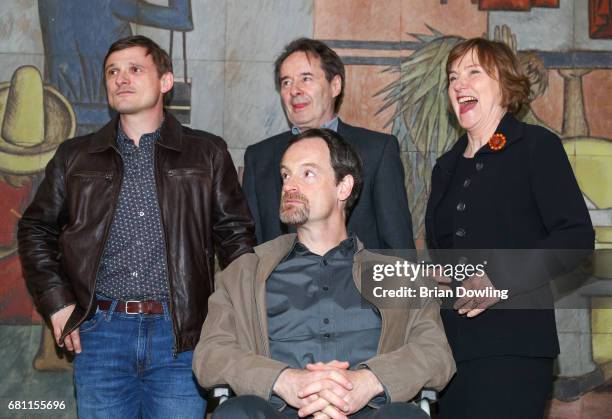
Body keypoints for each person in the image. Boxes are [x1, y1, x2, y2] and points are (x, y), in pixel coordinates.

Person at [18, 35, 255, 418]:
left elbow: (236, 238)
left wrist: (237, 319)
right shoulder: (75, 156)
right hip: (100, 334)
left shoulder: (207, 152)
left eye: (134, 69)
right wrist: (57, 304)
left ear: (165, 82)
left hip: (181, 336)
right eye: (113, 71)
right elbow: (35, 229)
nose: (121, 79)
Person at [194, 128, 455, 419]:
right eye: (285, 175)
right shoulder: (244, 274)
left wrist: (369, 382)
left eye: (307, 174)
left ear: (343, 187)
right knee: (237, 413)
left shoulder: (397, 276)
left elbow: (436, 353)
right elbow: (210, 356)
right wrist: (284, 380)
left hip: (369, 412)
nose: (290, 186)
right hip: (278, 411)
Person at [425, 38, 594, 419]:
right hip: (450, 352)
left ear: (505, 84)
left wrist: (498, 278)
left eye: (473, 72)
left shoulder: (536, 146)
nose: (458, 84)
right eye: (452, 77)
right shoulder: (446, 166)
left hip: (514, 345)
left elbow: (576, 237)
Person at [242, 38, 415, 250]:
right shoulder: (259, 157)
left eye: (306, 79)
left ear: (335, 85)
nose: (294, 90)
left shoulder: (377, 151)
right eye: (286, 82)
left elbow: (399, 250)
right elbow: (251, 250)